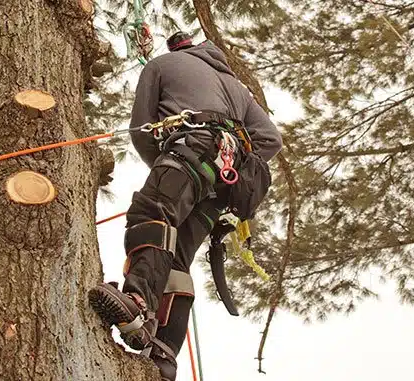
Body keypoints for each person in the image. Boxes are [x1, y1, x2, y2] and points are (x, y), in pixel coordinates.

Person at [88, 31, 282, 381]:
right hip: (225, 183)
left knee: (152, 211)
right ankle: (164, 353)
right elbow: (271, 139)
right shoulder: (236, 86)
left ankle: (137, 303)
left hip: (191, 147)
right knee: (176, 256)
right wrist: (240, 166)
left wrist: (167, 167)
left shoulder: (162, 64)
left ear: (176, 48)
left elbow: (139, 129)